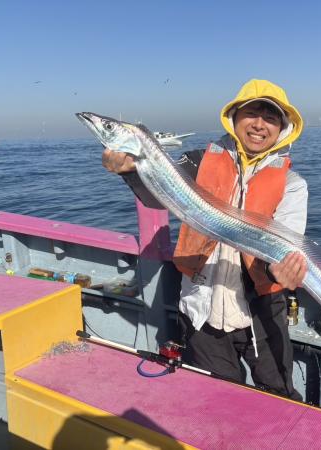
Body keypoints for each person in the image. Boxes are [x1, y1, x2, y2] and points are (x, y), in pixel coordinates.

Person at [102, 79, 308, 399]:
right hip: (202, 308)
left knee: (278, 396)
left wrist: (280, 271)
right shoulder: (197, 161)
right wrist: (130, 173)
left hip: (262, 311)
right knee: (218, 397)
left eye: (270, 118)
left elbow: (286, 246)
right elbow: (157, 197)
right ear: (234, 117)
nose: (259, 124)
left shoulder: (292, 183)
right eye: (251, 114)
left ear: (282, 128)